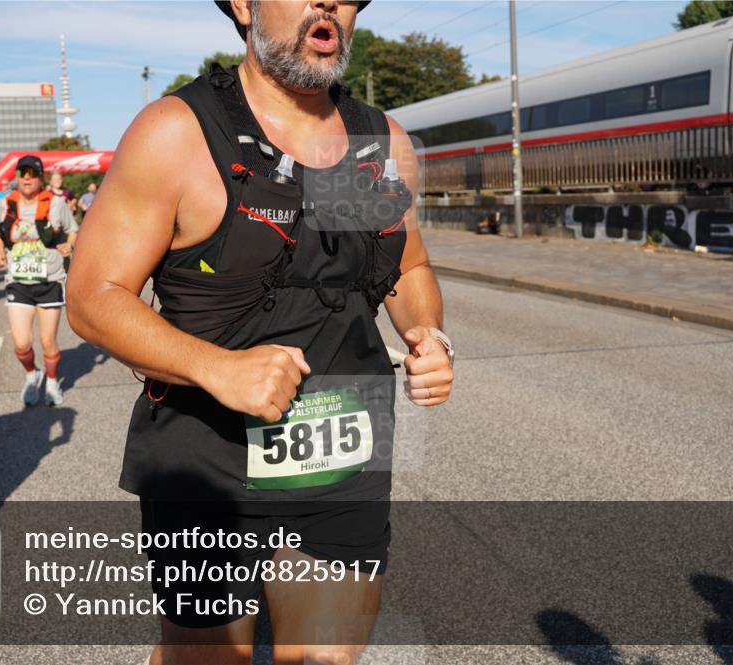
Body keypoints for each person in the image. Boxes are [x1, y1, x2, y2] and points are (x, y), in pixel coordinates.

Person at [66, 1, 455, 663]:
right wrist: (218, 367)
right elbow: (93, 297)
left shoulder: (370, 141)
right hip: (208, 462)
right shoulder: (182, 132)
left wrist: (429, 334)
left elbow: (405, 265)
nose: (329, 2)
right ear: (243, 5)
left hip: (343, 452)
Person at [0, 155, 77, 407]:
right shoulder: (6, 203)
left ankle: (51, 381)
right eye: (22, 174)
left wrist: (68, 245)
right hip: (18, 281)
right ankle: (32, 374)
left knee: (47, 340)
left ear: (41, 178)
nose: (27, 179)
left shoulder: (56, 203)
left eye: (32, 174)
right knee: (21, 343)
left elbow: (73, 229)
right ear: (17, 177)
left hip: (49, 280)